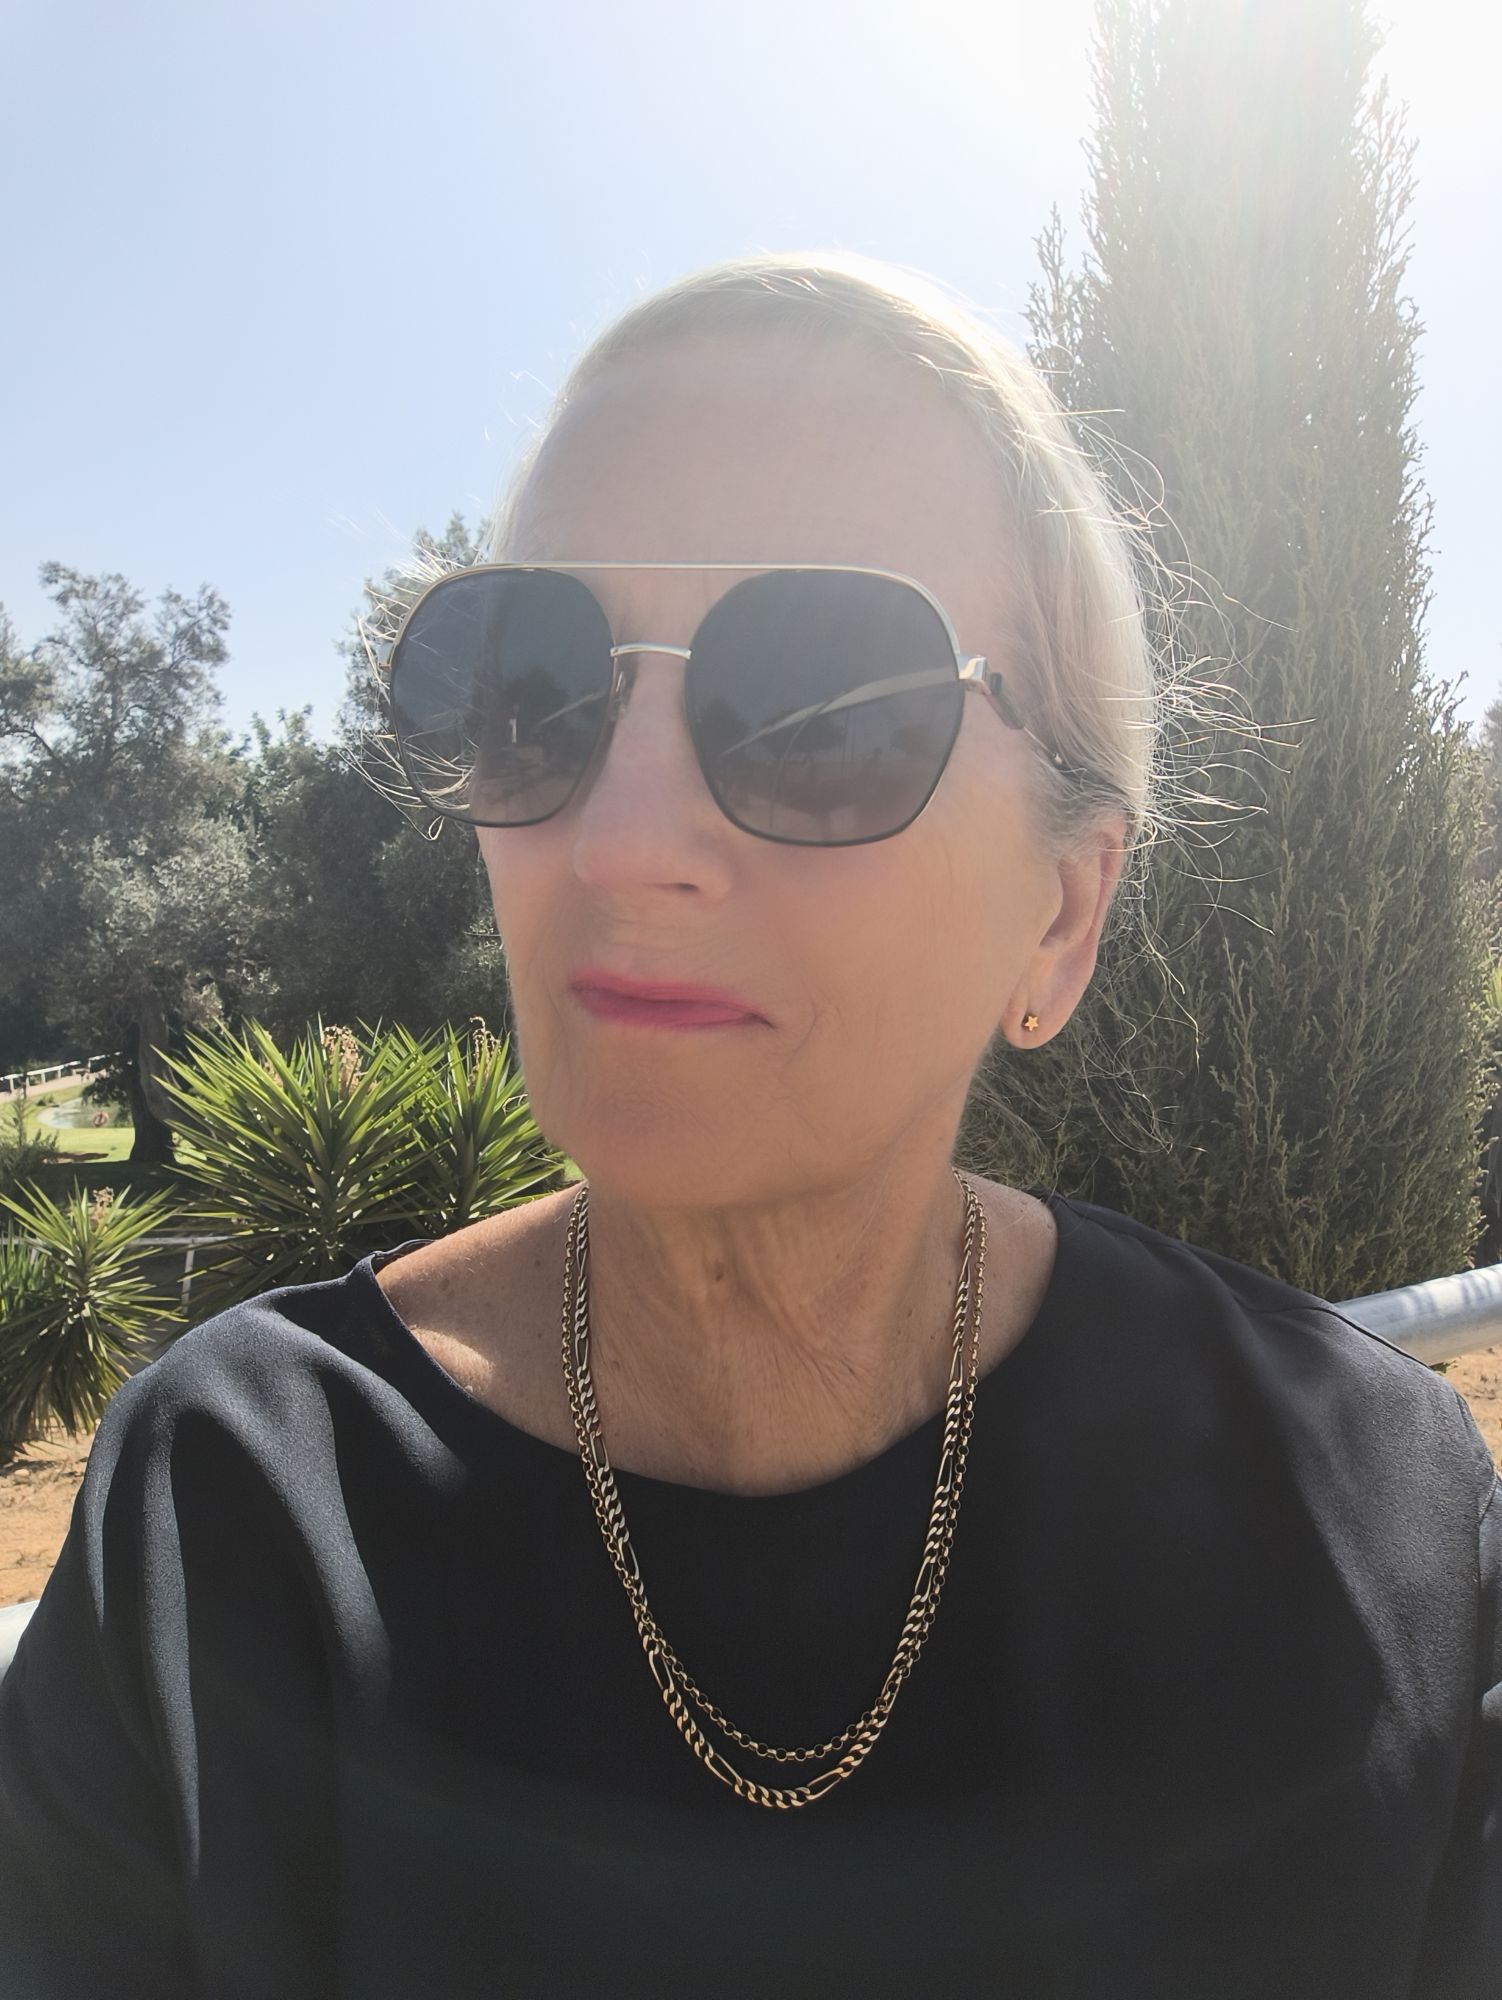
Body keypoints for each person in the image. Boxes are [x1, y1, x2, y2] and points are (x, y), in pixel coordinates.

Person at [0, 251, 1497, 1999]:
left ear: (1061, 913)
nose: (619, 839)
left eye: (821, 710)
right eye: (535, 691)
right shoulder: (231, 1521)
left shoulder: (1371, 1521)